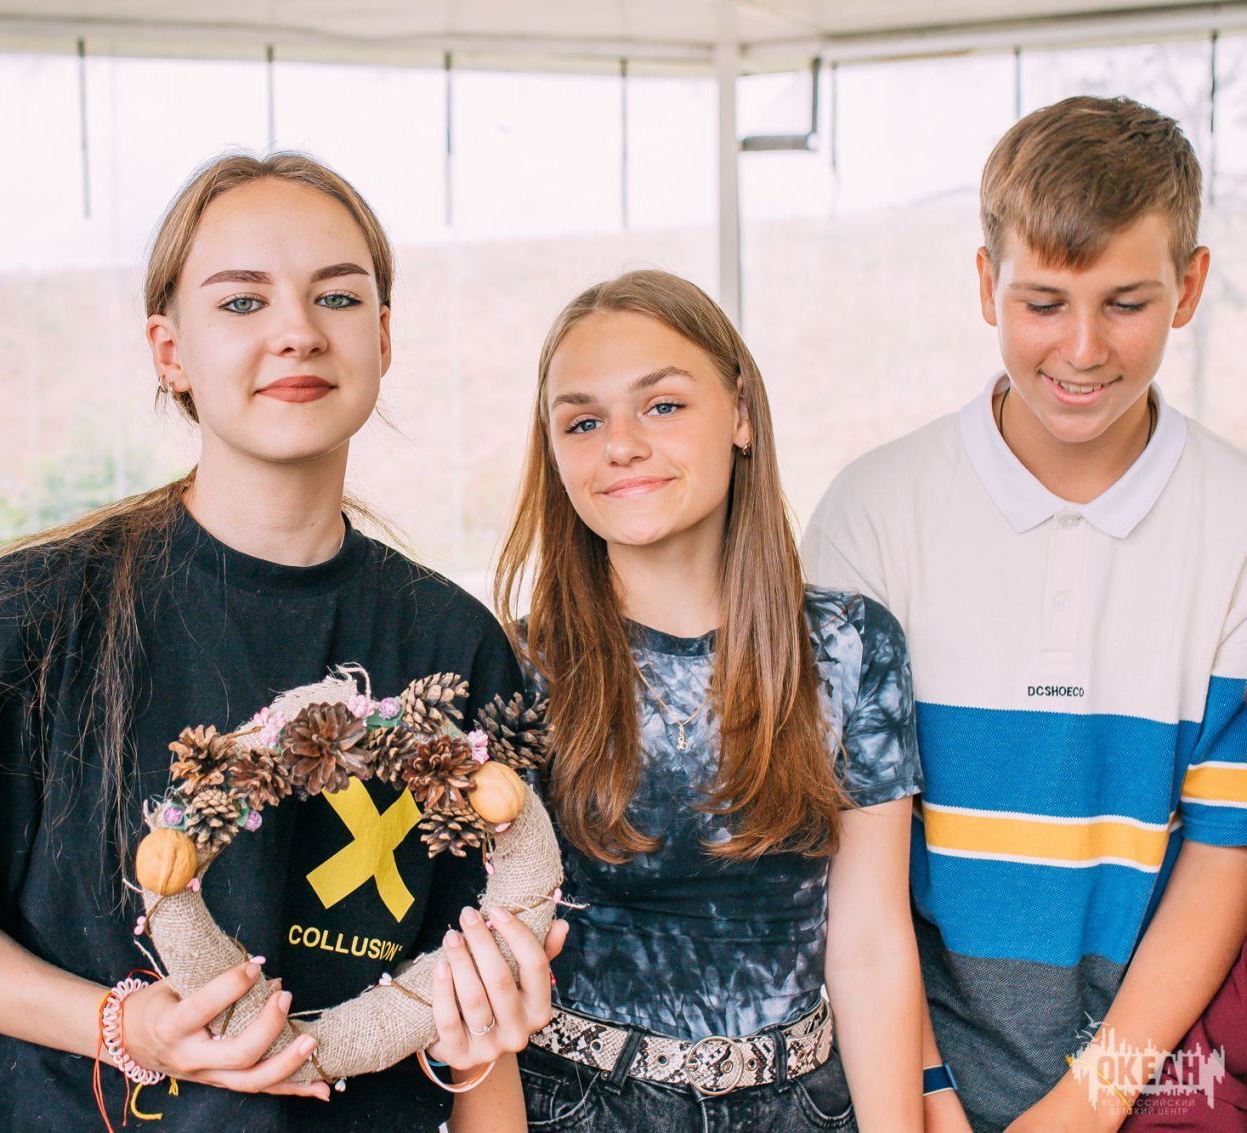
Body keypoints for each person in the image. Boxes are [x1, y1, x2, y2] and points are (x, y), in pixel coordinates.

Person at [0, 153, 563, 1133]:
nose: (297, 331)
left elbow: (476, 992)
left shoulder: (453, 641)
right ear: (170, 351)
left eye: (337, 296)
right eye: (241, 301)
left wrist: (496, 1016)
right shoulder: (32, 613)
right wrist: (127, 1026)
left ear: (382, 337)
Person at [803, 95, 1247, 1132]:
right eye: (1042, 302)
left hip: (1144, 1085)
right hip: (886, 1079)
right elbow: (837, 859)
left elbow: (1224, 851)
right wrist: (921, 1089)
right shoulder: (871, 512)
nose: (1082, 348)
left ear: (1188, 286)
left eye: (1125, 303)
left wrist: (1088, 1103)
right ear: (983, 284)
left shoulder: (1234, 522)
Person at [495, 269, 924, 1132]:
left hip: (804, 1106)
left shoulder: (853, 646)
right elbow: (486, 972)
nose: (621, 445)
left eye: (662, 406)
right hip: (575, 1107)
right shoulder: (515, 665)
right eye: (583, 422)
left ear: (741, 414)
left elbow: (872, 946)